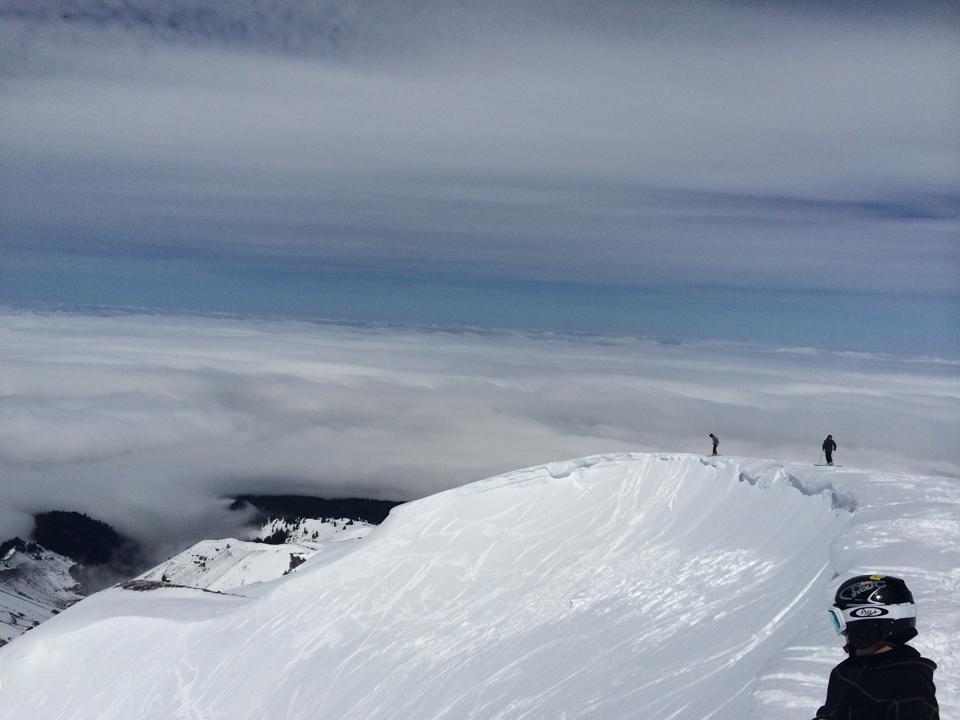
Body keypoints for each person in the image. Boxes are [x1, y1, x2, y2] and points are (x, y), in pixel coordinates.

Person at [815, 574, 939, 719]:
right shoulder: (844, 672)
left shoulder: (909, 683)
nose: (843, 633)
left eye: (840, 621)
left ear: (865, 624)